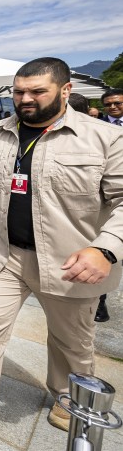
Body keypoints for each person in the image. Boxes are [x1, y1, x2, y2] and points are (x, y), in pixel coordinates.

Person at [0, 57, 123, 445]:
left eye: (37, 91)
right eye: (19, 91)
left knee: (72, 341)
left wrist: (107, 248)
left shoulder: (105, 138)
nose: (25, 99)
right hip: (0, 256)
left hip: (71, 262)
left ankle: (68, 398)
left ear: (66, 90)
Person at [96, 87, 123, 323]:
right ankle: (100, 301)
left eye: (117, 103)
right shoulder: (100, 128)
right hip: (109, 191)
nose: (113, 107)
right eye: (109, 104)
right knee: (105, 248)